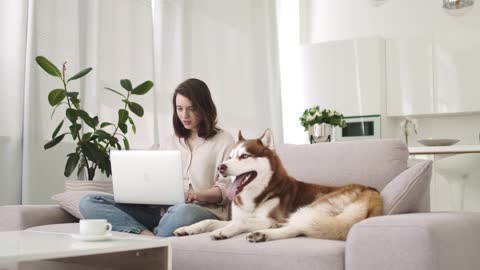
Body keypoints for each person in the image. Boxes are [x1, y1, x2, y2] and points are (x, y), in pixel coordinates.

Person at [79, 78, 235, 237]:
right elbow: (152, 175)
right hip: (160, 211)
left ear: (204, 108)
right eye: (179, 109)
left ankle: (155, 238)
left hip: (198, 211)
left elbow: (227, 189)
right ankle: (146, 235)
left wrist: (196, 195)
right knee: (89, 201)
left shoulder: (224, 141)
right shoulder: (169, 141)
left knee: (182, 211)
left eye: (191, 109)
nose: (184, 115)